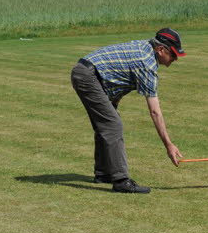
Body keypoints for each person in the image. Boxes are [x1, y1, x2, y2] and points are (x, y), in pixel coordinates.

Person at [70, 28, 186, 194]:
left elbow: (119, 79)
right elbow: (155, 111)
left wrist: (113, 104)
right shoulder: (146, 63)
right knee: (113, 125)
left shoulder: (145, 49)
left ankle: (104, 173)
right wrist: (169, 144)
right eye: (173, 54)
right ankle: (121, 180)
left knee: (108, 122)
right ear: (161, 50)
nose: (175, 59)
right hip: (88, 76)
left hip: (87, 73)